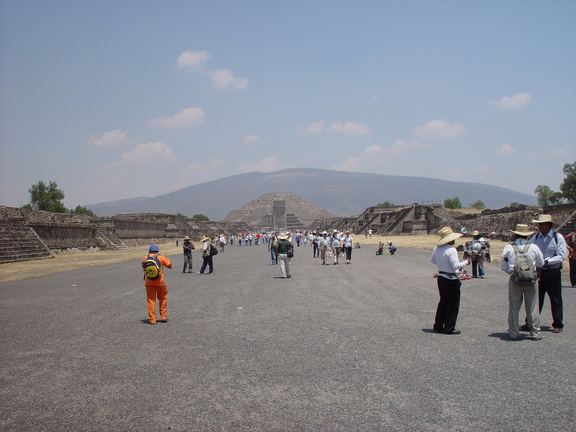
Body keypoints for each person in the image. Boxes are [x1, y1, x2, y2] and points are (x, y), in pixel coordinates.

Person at [521, 214, 566, 333]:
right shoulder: (535, 238)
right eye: (539, 224)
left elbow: (561, 256)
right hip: (539, 272)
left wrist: (546, 262)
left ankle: (558, 323)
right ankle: (530, 322)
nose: (539, 226)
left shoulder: (558, 237)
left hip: (553, 272)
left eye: (541, 224)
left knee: (555, 298)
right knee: (535, 299)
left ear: (548, 225)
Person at [500, 224, 545, 340]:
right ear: (527, 236)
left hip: (515, 280)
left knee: (514, 307)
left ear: (515, 234)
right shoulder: (534, 247)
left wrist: (512, 273)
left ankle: (514, 331)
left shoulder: (508, 248)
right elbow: (541, 263)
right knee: (533, 307)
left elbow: (503, 266)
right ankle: (535, 332)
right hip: (531, 280)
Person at [430, 227, 470, 335]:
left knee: (443, 302)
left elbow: (433, 260)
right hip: (451, 279)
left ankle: (438, 325)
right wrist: (466, 262)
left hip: (441, 277)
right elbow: (455, 266)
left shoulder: (437, 248)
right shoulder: (452, 250)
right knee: (452, 304)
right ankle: (449, 327)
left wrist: (442, 265)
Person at [141, 245, 172, 325]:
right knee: (162, 299)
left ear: (149, 251)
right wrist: (167, 258)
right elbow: (170, 266)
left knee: (151, 300)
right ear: (157, 251)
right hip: (160, 282)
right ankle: (163, 316)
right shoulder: (161, 258)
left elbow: (144, 268)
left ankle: (152, 319)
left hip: (149, 282)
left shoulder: (145, 258)